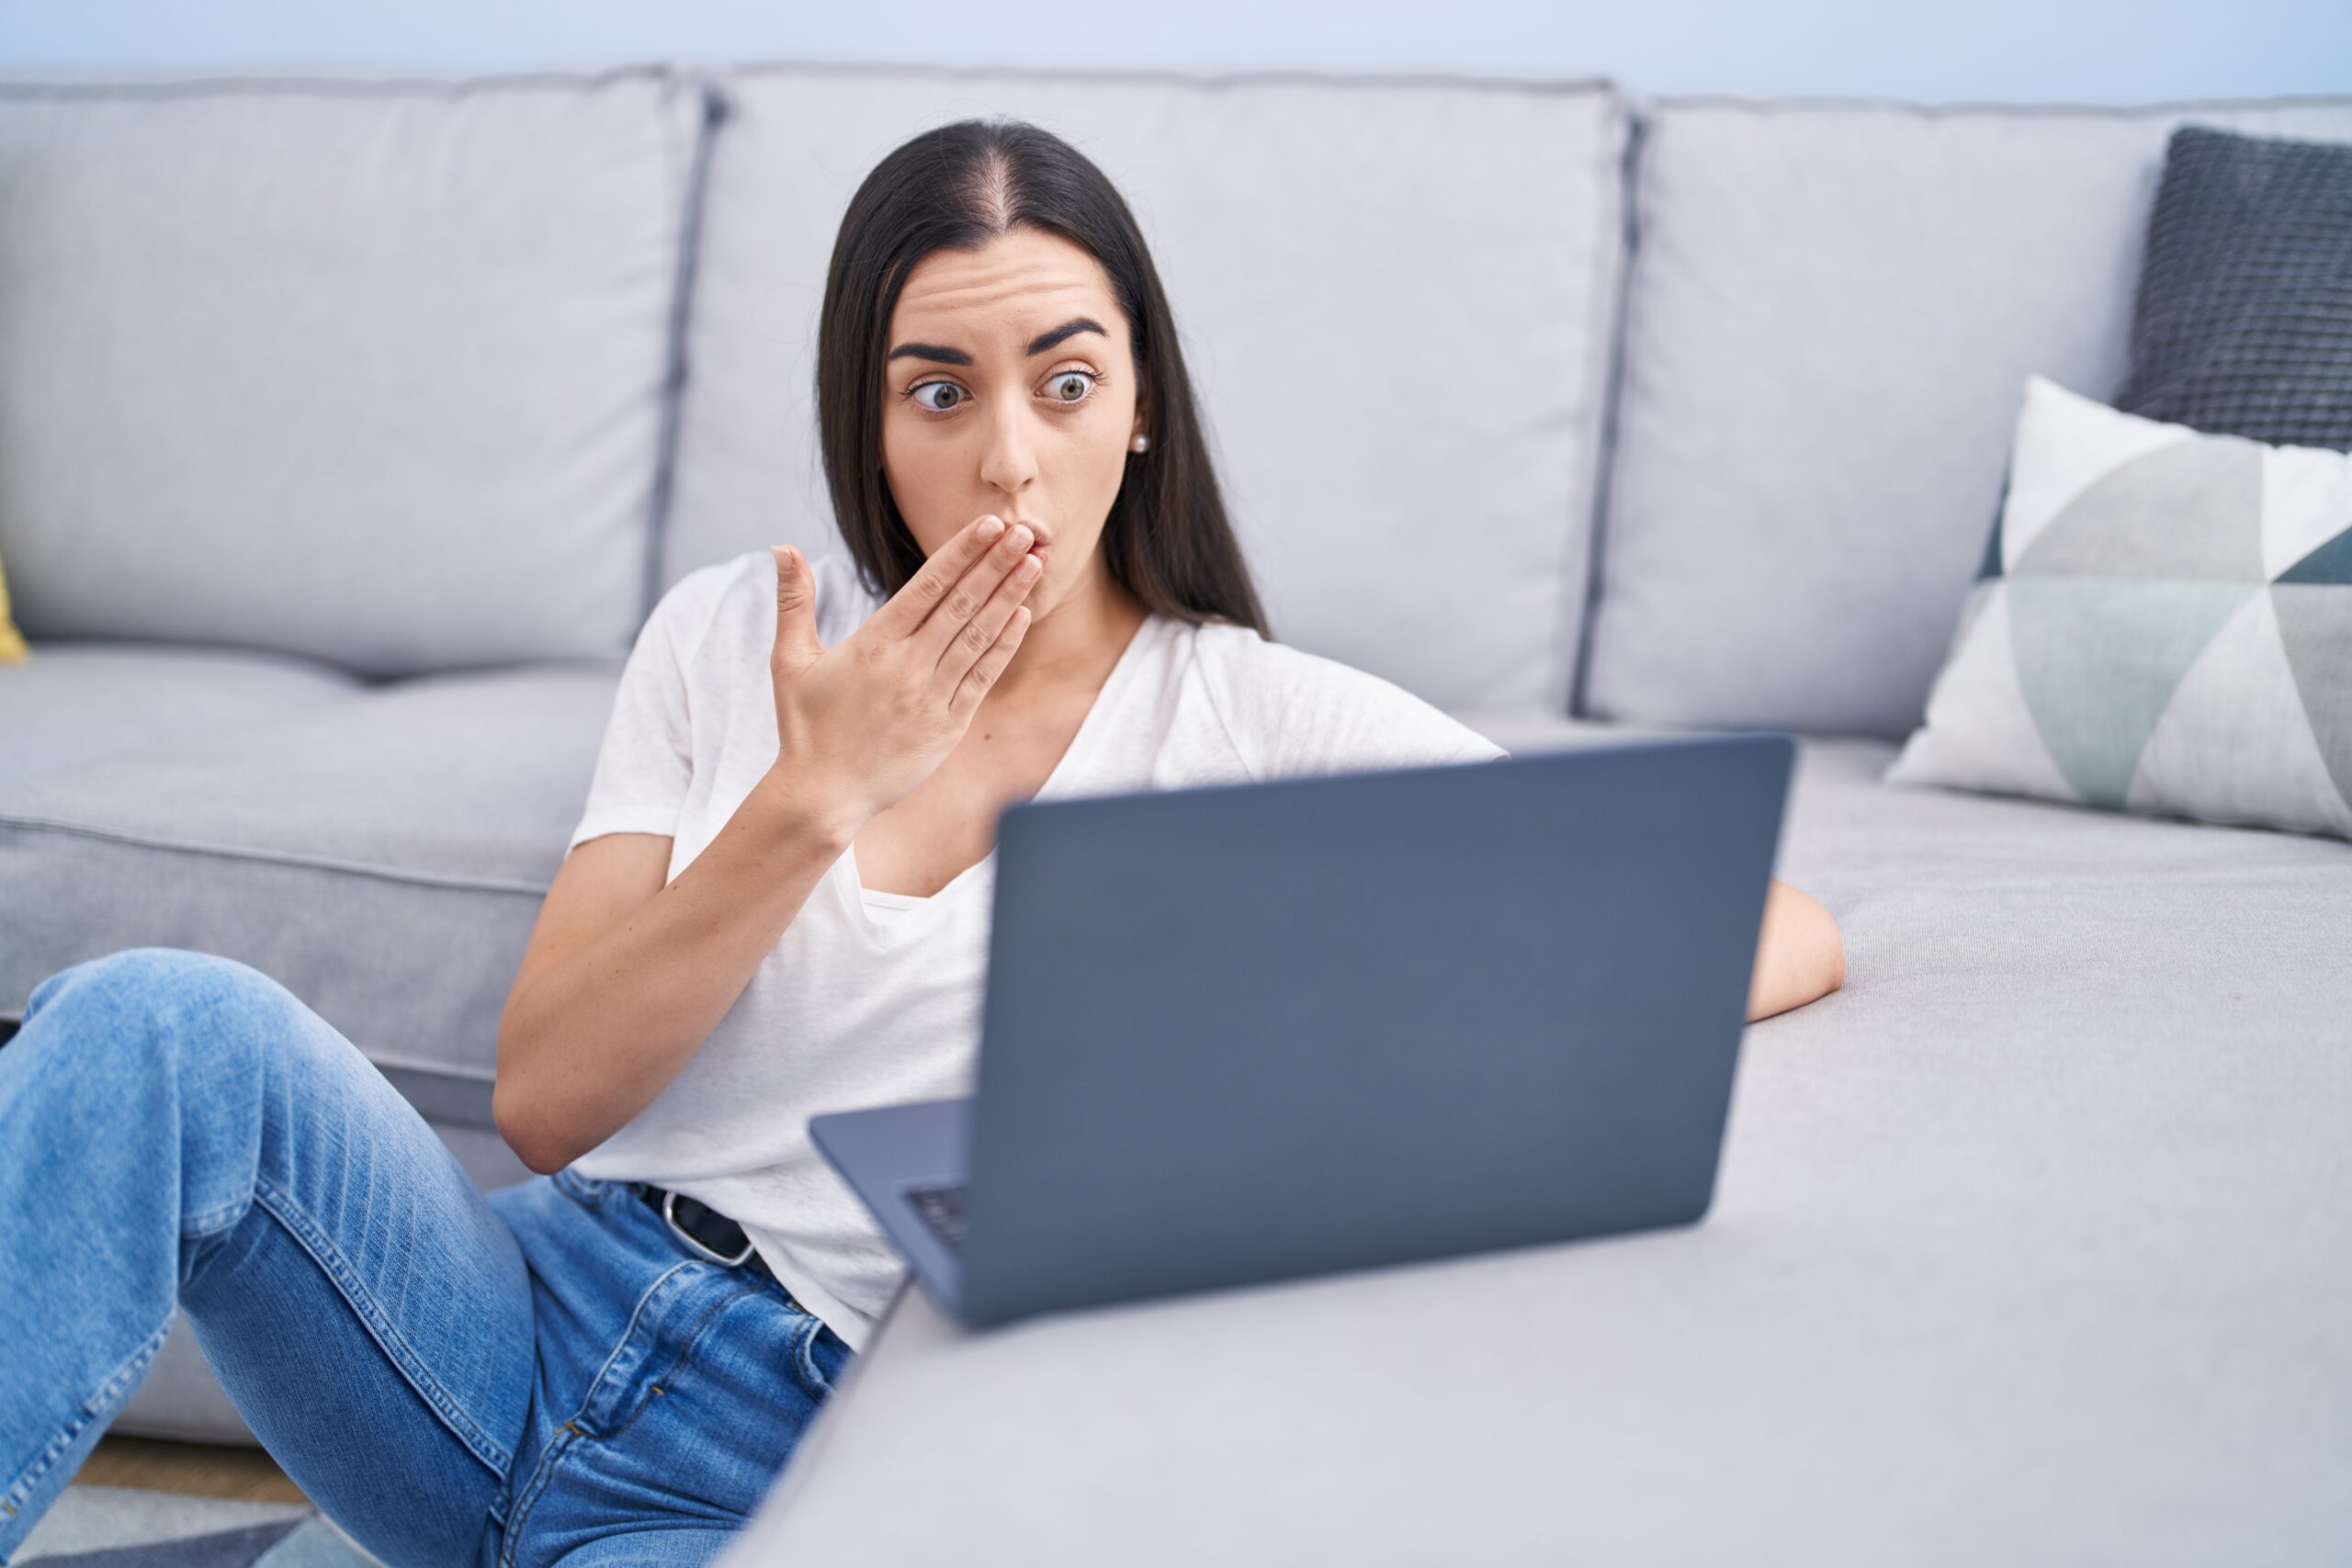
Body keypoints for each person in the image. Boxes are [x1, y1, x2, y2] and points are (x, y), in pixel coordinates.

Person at [0, 118, 1846, 1567]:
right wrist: (813, 791)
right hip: (507, 1323)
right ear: (871, 423)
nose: (1007, 462)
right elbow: (550, 1091)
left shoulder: (1254, 719)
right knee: (156, 1024)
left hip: (796, 1461)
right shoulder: (740, 633)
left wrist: (1352, 1040)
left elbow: (1768, 927)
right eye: (939, 393)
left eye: (1063, 381)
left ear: (1139, 412)